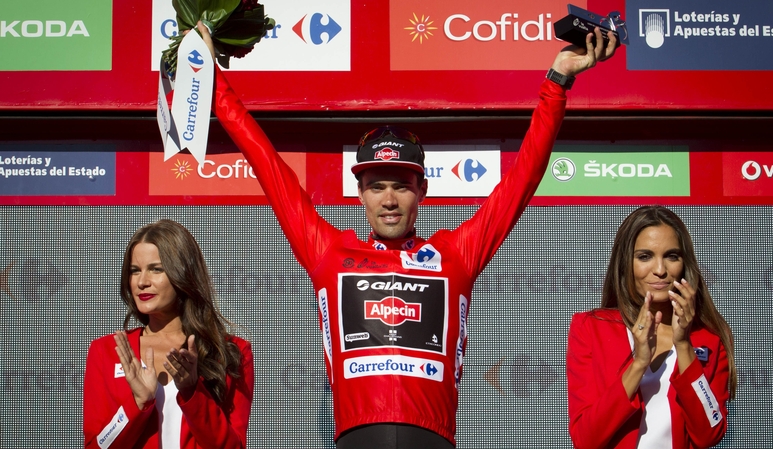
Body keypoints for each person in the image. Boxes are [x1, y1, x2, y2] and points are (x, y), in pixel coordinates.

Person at [201, 22, 617, 448]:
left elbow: (523, 177)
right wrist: (210, 80)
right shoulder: (329, 251)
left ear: (422, 190)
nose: (389, 199)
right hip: (356, 437)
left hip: (432, 438)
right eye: (377, 186)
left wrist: (558, 81)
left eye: (401, 185)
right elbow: (266, 162)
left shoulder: (456, 253)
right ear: (360, 193)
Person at [566, 206, 738, 449]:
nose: (660, 270)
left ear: (684, 263)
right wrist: (638, 364)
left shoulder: (710, 338)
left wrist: (684, 345)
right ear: (625, 263)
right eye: (645, 256)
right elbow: (586, 439)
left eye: (672, 256)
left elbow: (709, 434)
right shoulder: (591, 328)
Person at [83, 219, 254, 449]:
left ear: (183, 272)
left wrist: (193, 392)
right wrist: (138, 404)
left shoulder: (232, 353)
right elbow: (98, 446)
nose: (142, 282)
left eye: (156, 269)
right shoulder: (105, 351)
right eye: (135, 271)